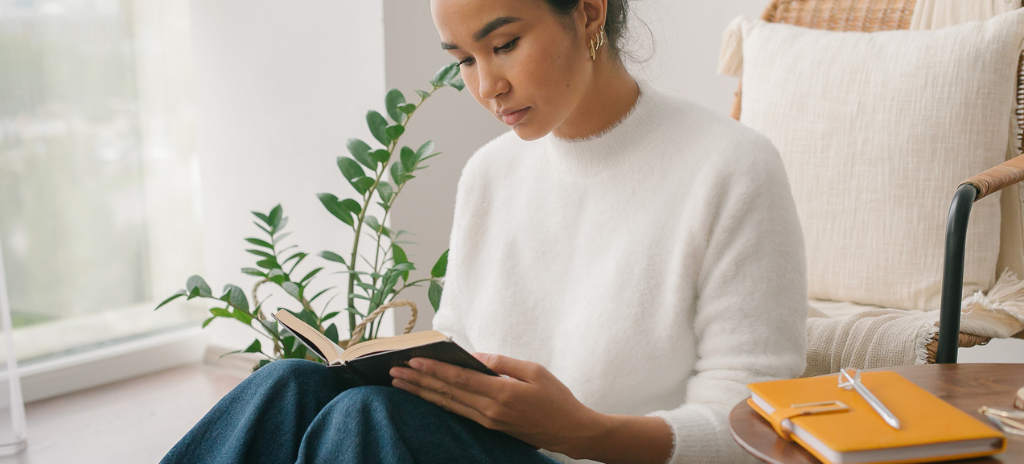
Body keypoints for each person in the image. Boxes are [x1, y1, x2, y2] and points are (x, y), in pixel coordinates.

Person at [161, 0, 808, 463]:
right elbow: (462, 352)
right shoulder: (491, 173)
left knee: (365, 421)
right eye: (464, 59)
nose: (487, 86)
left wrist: (583, 432)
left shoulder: (731, 166)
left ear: (588, 13)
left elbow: (752, 428)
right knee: (289, 383)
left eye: (503, 45)